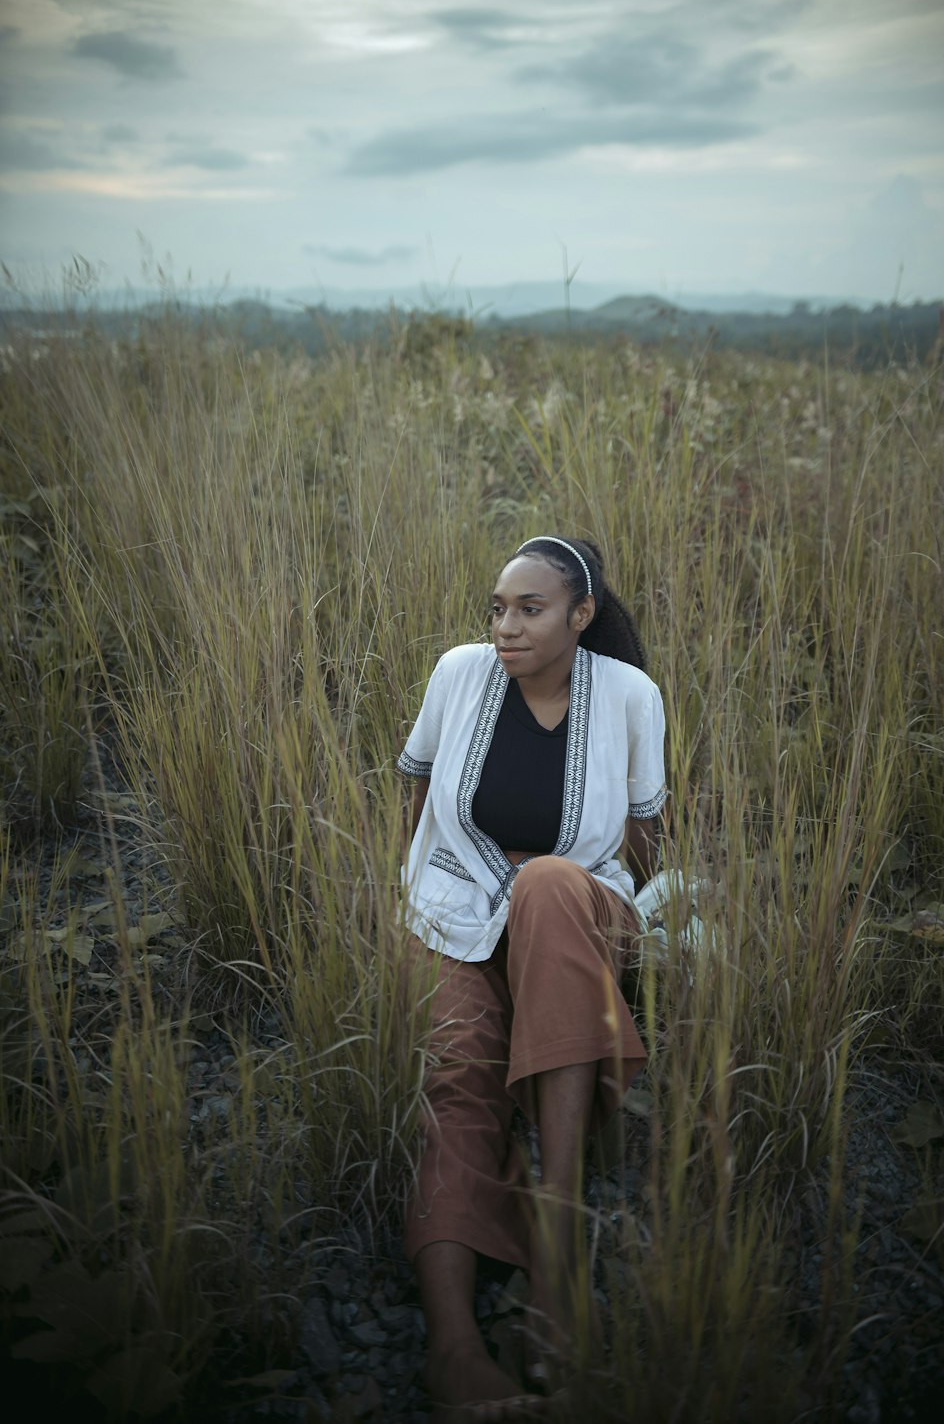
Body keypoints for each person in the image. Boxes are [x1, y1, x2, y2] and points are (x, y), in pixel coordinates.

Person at [397, 535, 667, 1422]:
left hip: (580, 907)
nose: (506, 627)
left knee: (550, 884)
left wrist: (581, 925)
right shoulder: (459, 674)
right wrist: (412, 904)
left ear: (580, 616)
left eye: (530, 609)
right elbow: (419, 797)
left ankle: (556, 1242)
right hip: (463, 909)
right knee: (457, 1067)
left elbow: (642, 839)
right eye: (499, 608)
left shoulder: (630, 696)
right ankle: (456, 1349)